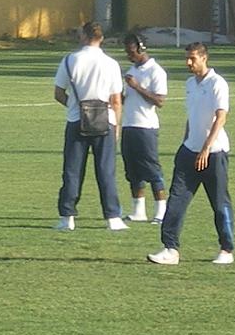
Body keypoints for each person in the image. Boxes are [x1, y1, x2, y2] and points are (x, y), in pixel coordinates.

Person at [148, 42, 235, 265]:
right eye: (187, 58)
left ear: (204, 58)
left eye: (193, 59)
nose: (188, 63)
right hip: (189, 152)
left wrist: (206, 147)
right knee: (176, 199)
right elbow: (192, 116)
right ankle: (170, 249)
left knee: (219, 203)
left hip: (214, 153)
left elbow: (221, 117)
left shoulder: (217, 84)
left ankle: (226, 249)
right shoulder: (190, 84)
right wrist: (186, 143)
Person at [53, 21, 128, 231]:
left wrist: (75, 105)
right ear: (101, 38)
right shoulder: (111, 64)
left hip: (76, 120)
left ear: (83, 36)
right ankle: (113, 217)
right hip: (106, 121)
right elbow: (116, 99)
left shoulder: (70, 60)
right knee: (106, 170)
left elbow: (58, 93)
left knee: (72, 170)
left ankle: (67, 216)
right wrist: (118, 126)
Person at [121, 33, 168, 224]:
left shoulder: (156, 71)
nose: (129, 55)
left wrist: (137, 87)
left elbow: (159, 101)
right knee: (132, 171)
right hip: (128, 125)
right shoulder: (131, 70)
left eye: (131, 51)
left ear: (141, 49)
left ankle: (161, 211)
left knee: (152, 170)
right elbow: (126, 98)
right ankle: (138, 211)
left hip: (145, 127)